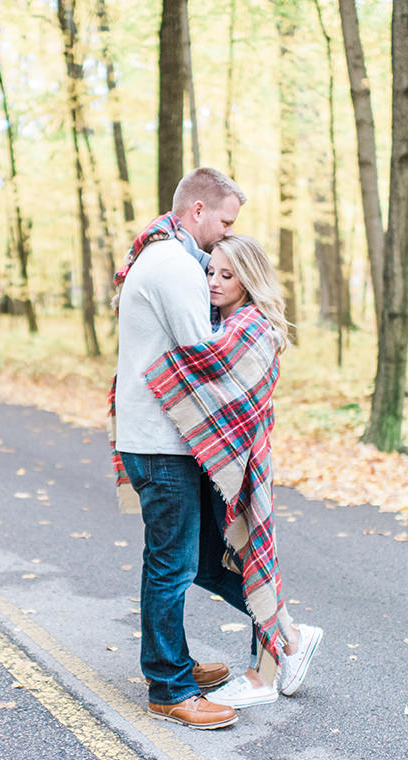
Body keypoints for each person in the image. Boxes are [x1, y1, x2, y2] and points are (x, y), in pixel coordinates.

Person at [143, 234, 323, 710]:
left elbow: (220, 384)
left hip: (240, 463)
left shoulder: (251, 327)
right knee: (204, 563)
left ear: (250, 277)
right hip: (215, 459)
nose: (216, 282)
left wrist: (158, 365)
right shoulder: (219, 322)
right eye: (211, 272)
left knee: (241, 555)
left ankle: (265, 667)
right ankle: (290, 634)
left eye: (228, 274)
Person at [109, 167, 246, 730]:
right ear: (197, 211)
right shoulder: (173, 265)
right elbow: (202, 350)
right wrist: (252, 333)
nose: (227, 234)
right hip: (163, 442)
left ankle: (172, 662)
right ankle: (169, 686)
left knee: (172, 560)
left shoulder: (165, 256)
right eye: (225, 222)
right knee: (172, 564)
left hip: (158, 437)